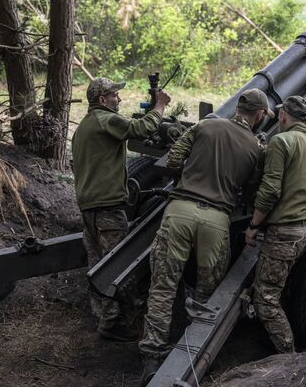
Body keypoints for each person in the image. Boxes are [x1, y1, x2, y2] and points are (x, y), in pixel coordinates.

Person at [138, 89, 273, 384]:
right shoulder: (256, 147)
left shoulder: (205, 125)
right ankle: (192, 353)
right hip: (216, 221)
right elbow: (251, 187)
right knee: (206, 294)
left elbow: (173, 158)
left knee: (163, 287)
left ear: (238, 108)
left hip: (179, 211)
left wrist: (184, 177)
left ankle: (152, 357)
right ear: (260, 115)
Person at [71, 77, 171, 341]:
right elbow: (140, 129)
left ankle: (102, 315)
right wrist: (159, 106)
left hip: (89, 207)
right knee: (118, 265)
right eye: (115, 95)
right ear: (102, 100)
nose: (120, 99)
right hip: (108, 208)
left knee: (97, 265)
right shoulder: (106, 120)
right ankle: (114, 324)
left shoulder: (84, 127)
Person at [245, 95, 306, 354]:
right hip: (304, 230)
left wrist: (254, 225)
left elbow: (270, 189)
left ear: (282, 116)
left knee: (265, 299)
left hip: (283, 233)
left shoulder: (280, 141)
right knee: (276, 289)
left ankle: (289, 358)